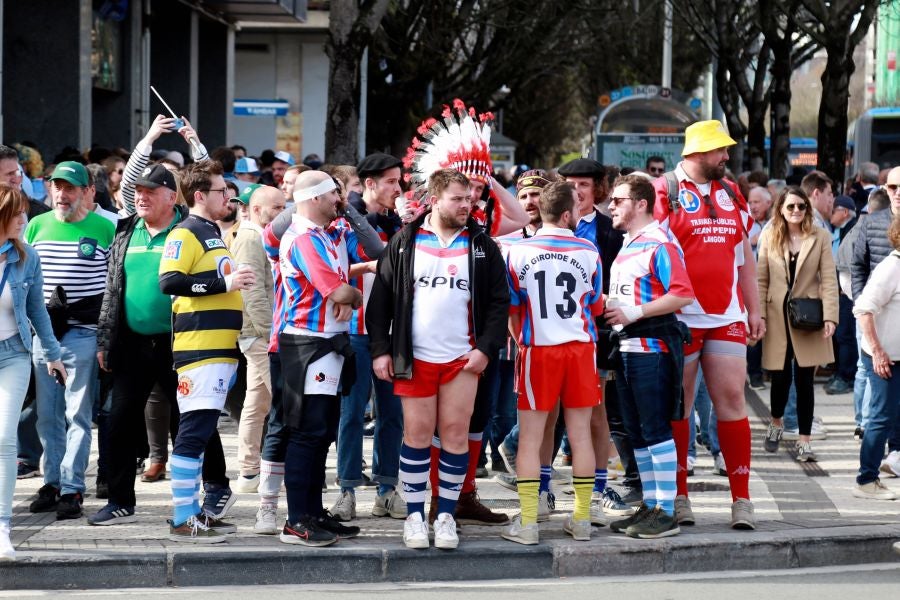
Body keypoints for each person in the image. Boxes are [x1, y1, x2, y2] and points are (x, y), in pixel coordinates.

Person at [367, 168, 509, 550]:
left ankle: (445, 514)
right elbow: (379, 302)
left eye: (470, 199)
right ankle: (414, 515)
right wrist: (380, 350)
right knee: (415, 435)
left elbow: (499, 303)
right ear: (434, 199)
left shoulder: (482, 244)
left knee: (455, 435)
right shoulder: (404, 241)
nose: (467, 205)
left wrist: (485, 349)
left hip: (463, 358)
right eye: (458, 199)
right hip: (415, 358)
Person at [653, 120, 763, 530]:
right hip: (680, 317)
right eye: (720, 150)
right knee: (679, 404)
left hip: (726, 315)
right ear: (698, 152)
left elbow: (745, 256)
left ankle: (742, 500)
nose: (726, 157)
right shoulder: (666, 190)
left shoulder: (731, 191)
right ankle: (679, 496)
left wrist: (754, 308)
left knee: (732, 400)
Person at [502, 180, 604, 545]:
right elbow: (595, 307)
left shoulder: (518, 251)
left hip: (537, 349)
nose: (579, 214)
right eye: (576, 209)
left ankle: (528, 522)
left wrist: (523, 342)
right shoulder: (589, 250)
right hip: (579, 349)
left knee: (530, 437)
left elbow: (512, 311)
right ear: (566, 214)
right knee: (580, 434)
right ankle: (580, 519)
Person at [158, 160, 255, 543]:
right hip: (200, 347)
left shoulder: (211, 230)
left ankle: (194, 511)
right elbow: (170, 281)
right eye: (220, 191)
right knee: (193, 431)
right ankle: (183, 516)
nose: (228, 196)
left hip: (219, 347)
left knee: (200, 429)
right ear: (200, 196)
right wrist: (223, 282)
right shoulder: (185, 231)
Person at [276, 171, 366, 545]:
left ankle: (312, 512)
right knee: (308, 433)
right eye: (333, 194)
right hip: (308, 345)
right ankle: (297, 519)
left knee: (322, 432)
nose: (339, 201)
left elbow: (366, 259)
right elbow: (339, 290)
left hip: (326, 343)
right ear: (314, 198)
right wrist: (348, 296)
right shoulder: (304, 239)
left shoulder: (325, 234)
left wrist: (346, 295)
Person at [604, 174, 694, 538]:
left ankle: (667, 510)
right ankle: (651, 504)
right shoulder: (628, 243)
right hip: (625, 350)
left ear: (641, 204)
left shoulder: (660, 243)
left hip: (652, 350)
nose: (611, 206)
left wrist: (634, 313)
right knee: (636, 432)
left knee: (655, 430)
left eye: (618, 200)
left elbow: (683, 294)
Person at [24, 162, 115, 520]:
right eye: (57, 187)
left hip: (84, 331)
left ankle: (73, 488)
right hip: (44, 333)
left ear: (86, 191)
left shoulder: (105, 227)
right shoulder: (36, 225)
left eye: (70, 188)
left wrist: (107, 335)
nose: (62, 194)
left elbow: (114, 284)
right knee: (47, 415)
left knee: (77, 413)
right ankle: (52, 482)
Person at [330, 153, 406, 523]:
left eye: (399, 181)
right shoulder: (346, 222)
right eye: (391, 182)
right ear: (370, 184)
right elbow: (334, 269)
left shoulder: (403, 222)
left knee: (393, 416)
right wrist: (373, 265)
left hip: (395, 332)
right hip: (356, 331)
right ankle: (346, 491)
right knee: (351, 414)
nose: (398, 188)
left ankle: (387, 490)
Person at [0, 187, 66, 561]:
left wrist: (53, 354)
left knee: (5, 440)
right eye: (17, 214)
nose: (25, 220)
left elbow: (38, 311)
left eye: (25, 213)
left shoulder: (27, 257)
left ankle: (3, 527)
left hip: (14, 354)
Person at [757, 187, 838, 462]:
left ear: (807, 209)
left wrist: (830, 316)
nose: (796, 211)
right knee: (780, 378)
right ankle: (776, 422)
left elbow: (828, 279)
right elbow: (761, 280)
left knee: (805, 381)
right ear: (780, 208)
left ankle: (805, 442)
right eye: (790, 206)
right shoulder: (769, 236)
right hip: (777, 315)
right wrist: (759, 316)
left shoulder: (820, 237)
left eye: (801, 207)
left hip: (808, 317)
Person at [230, 186, 285, 493]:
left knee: (257, 401)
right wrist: (269, 332)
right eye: (275, 207)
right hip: (260, 333)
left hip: (258, 332)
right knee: (283, 400)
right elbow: (252, 291)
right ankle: (273, 469)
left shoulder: (259, 235)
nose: (281, 212)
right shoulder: (252, 237)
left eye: (283, 206)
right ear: (255, 208)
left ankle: (249, 471)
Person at [851, 215, 900, 500]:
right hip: (882, 355)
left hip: (895, 353)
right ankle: (866, 480)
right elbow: (863, 309)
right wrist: (878, 351)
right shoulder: (890, 268)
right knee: (880, 417)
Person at [825, 195, 859, 395]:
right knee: (840, 334)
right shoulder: (840, 230)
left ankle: (846, 376)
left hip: (848, 292)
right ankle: (840, 372)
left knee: (845, 334)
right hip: (840, 290)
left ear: (845, 212)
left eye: (834, 209)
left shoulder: (852, 231)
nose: (831, 213)